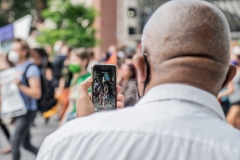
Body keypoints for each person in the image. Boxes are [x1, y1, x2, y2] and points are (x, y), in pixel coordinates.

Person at [37, 1, 240, 160]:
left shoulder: (64, 144)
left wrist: (85, 128)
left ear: (140, 68)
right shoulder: (232, 148)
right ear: (228, 78)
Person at [9, 38, 40, 160]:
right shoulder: (17, 67)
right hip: (20, 110)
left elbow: (36, 93)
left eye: (15, 50)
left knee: (14, 142)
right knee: (26, 144)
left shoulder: (31, 69)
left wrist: (20, 85)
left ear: (23, 52)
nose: (12, 53)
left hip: (28, 111)